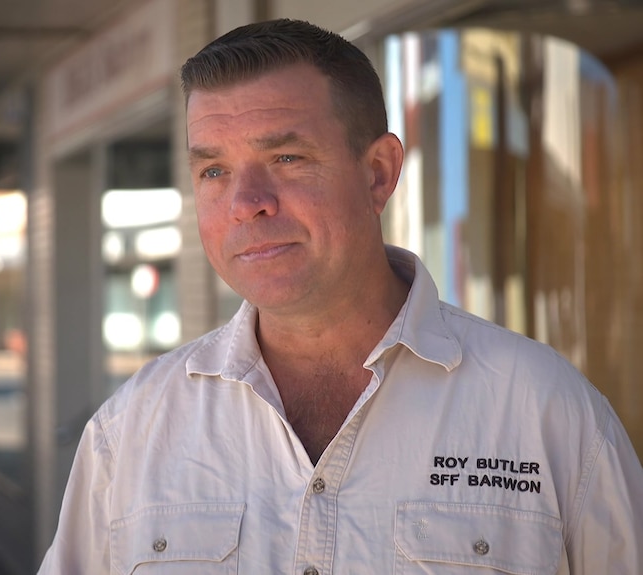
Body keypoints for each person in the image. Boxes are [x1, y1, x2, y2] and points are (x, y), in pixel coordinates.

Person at [37, 19, 643, 574]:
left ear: (379, 173)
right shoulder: (131, 433)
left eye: (287, 157)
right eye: (214, 170)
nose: (247, 202)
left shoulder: (548, 414)